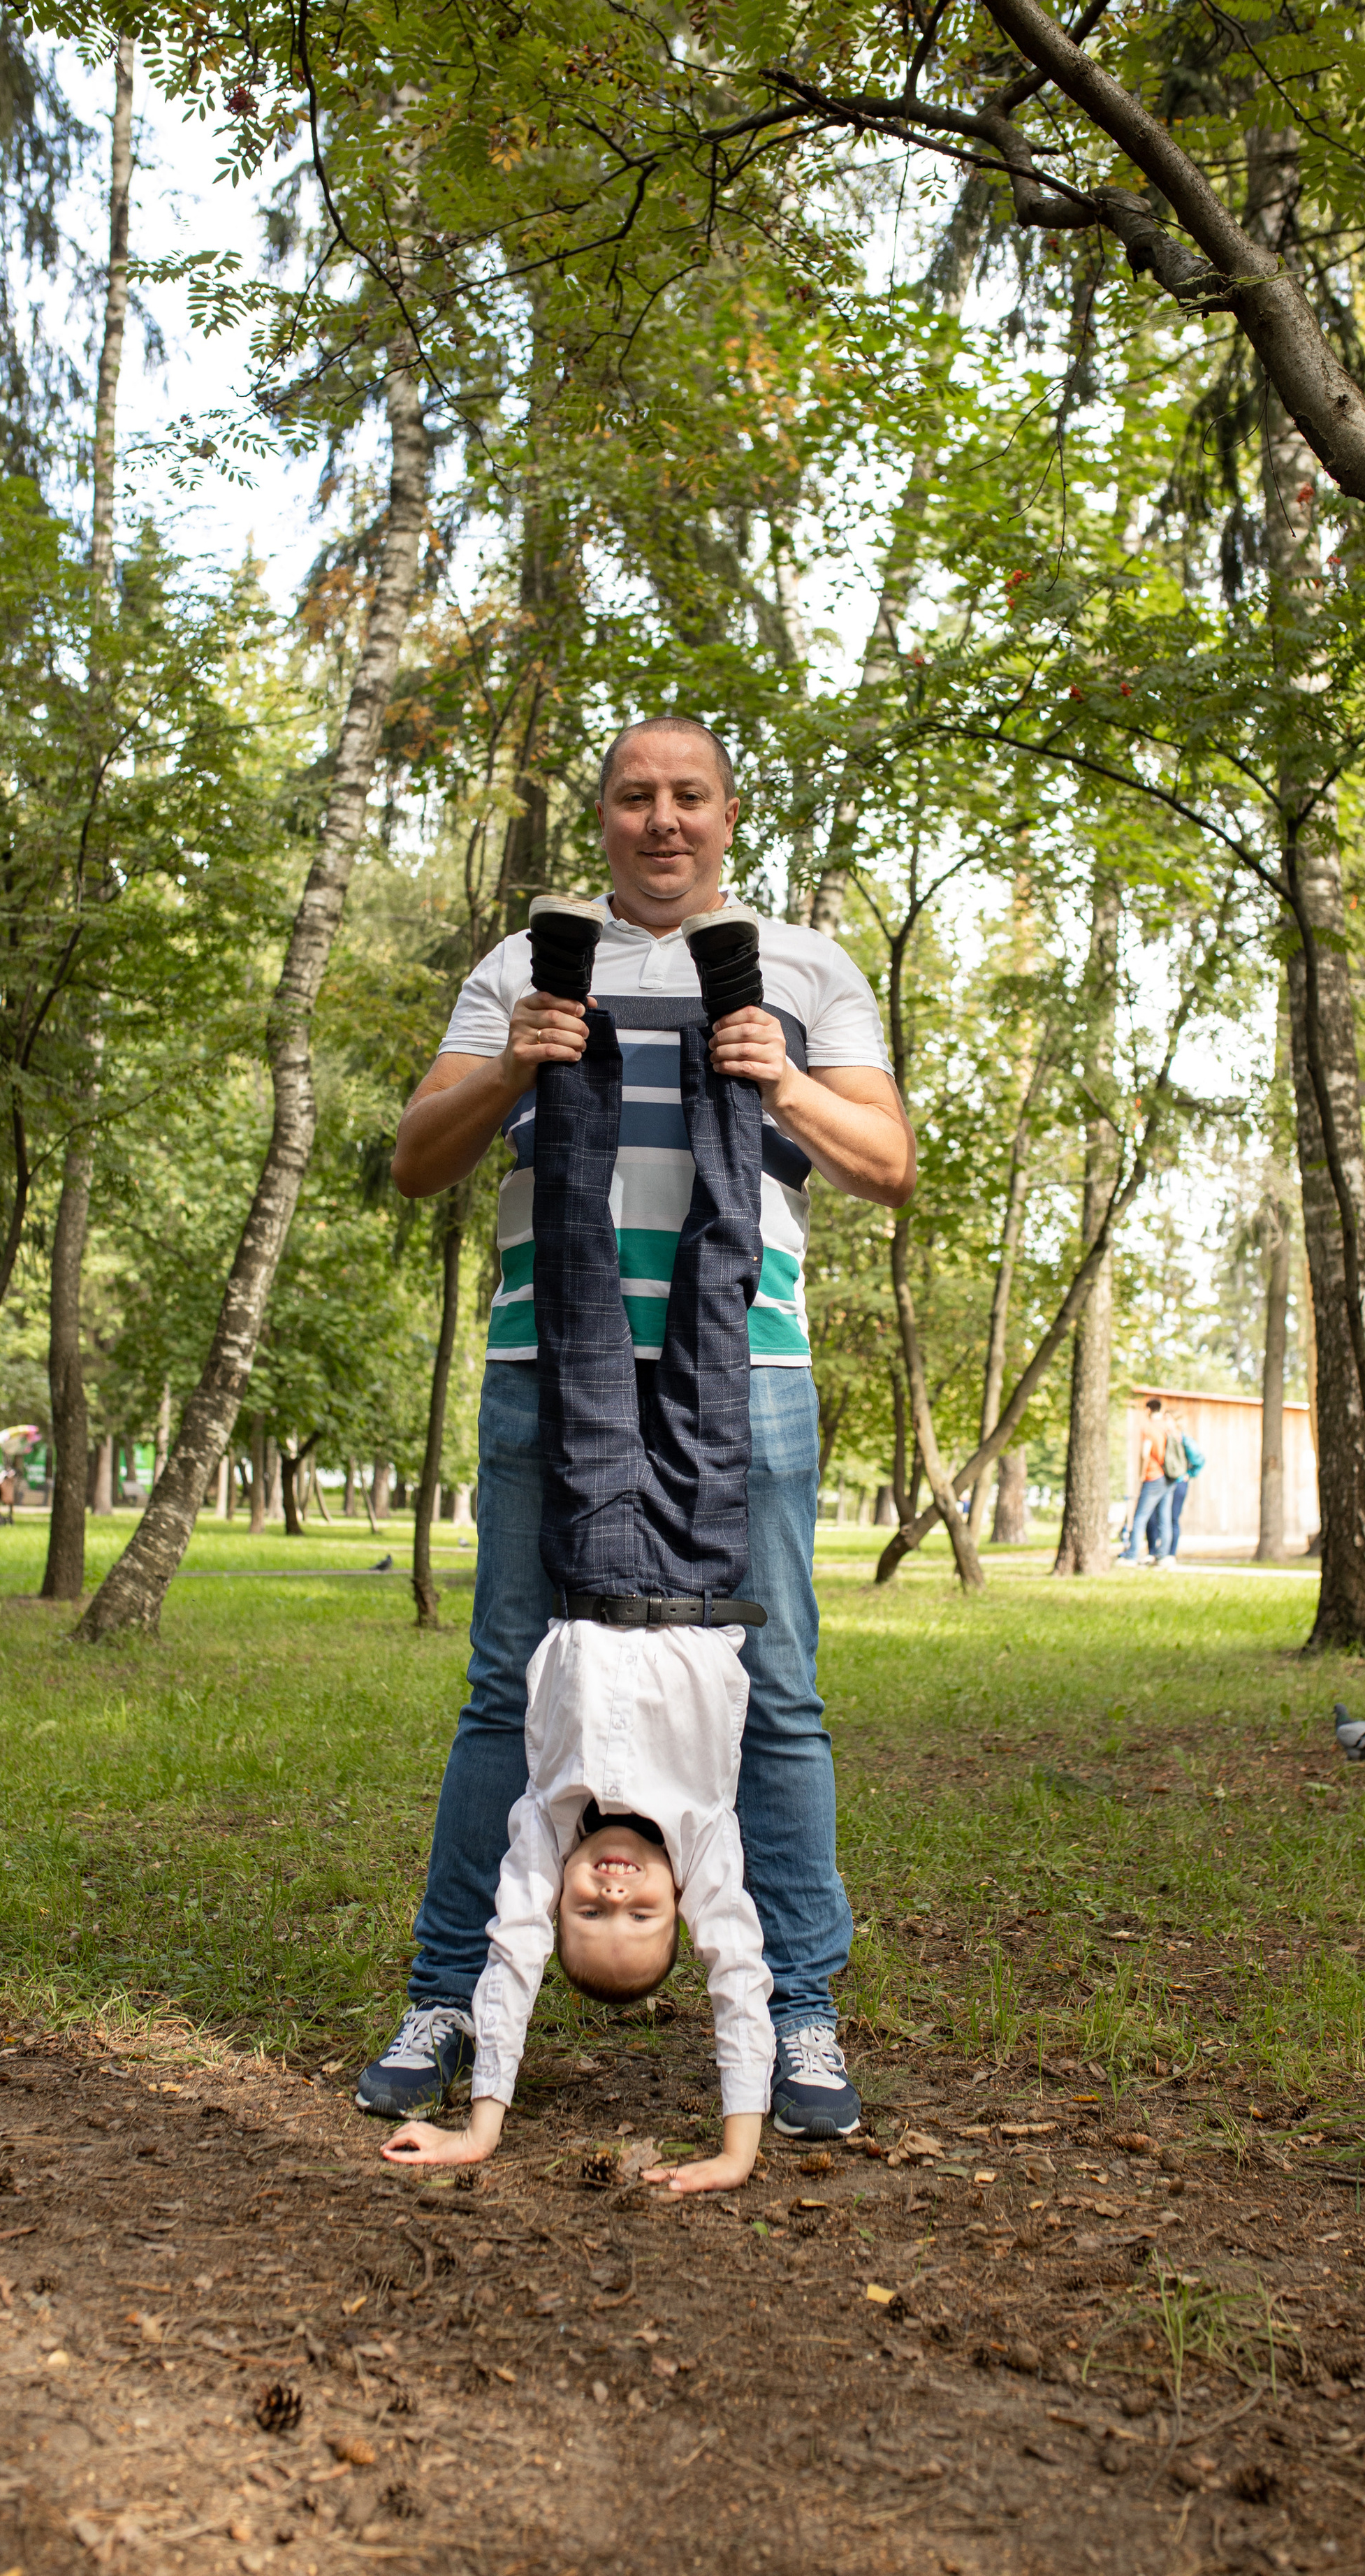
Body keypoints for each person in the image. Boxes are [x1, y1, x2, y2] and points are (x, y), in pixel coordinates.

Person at [354, 713, 915, 2141]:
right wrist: (503, 1069)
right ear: (599, 817)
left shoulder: (805, 969)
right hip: (547, 1360)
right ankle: (441, 1996)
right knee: (504, 1688)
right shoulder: (514, 965)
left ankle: (797, 2013)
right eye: (632, 798)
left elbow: (889, 1165)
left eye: (687, 797)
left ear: (728, 812)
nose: (660, 821)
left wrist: (780, 1080)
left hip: (751, 1372)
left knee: (774, 1694)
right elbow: (417, 1162)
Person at [378, 922, 774, 2196]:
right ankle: (731, 1012)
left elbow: (503, 1969)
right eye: (636, 1917)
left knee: (581, 1281)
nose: (612, 1893)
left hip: (594, 1541)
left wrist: (484, 2124)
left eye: (590, 1917)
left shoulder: (547, 1834)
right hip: (710, 1558)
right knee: (721, 1270)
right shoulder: (706, 1839)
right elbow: (745, 1993)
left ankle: (565, 998)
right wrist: (732, 2150)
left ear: (557, 1915)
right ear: (676, 1912)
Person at [1118, 1397, 1171, 1563]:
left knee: (1140, 1516)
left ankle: (1132, 1555)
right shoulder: (1168, 1427)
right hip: (1169, 1477)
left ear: (1148, 1410)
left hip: (1153, 1476)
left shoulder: (1149, 1428)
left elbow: (1144, 1453)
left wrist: (1141, 1474)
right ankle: (1162, 1556)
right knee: (1165, 1518)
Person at [1155, 1425, 1204, 1566]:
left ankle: (1171, 1554)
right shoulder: (1166, 1437)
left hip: (1178, 1482)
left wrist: (1189, 1475)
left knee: (1173, 1518)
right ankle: (1158, 1552)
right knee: (1159, 1518)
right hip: (1165, 1482)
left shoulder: (1185, 1441)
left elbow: (1199, 1460)